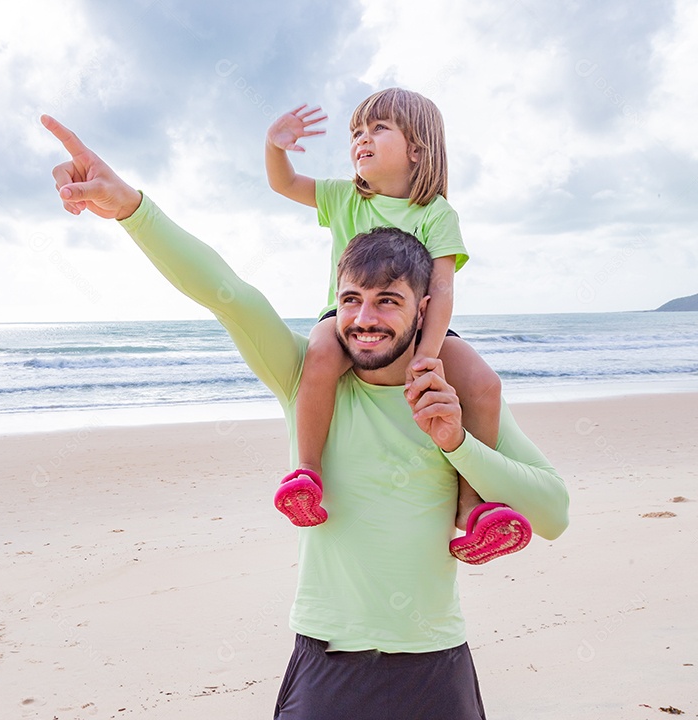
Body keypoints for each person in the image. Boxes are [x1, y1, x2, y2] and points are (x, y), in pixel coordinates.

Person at [41, 113, 569, 719]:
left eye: (388, 301)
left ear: (424, 311)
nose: (364, 318)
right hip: (326, 664)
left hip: (436, 663)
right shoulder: (307, 382)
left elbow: (554, 515)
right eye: (350, 300)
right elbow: (228, 293)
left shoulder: (458, 402)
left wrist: (458, 447)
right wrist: (132, 209)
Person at [265, 89, 527, 564]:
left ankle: (471, 508)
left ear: (417, 148)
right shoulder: (344, 197)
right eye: (356, 133)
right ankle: (306, 473)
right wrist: (275, 146)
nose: (361, 140)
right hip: (348, 320)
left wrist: (427, 353)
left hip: (420, 324)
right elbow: (283, 185)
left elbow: (442, 290)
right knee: (320, 354)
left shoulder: (435, 214)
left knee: (485, 385)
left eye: (378, 129)